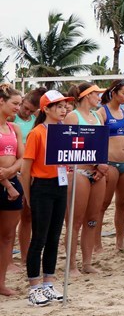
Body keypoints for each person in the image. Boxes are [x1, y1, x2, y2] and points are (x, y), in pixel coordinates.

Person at [21, 90, 73, 305]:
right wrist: (29, 196)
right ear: (46, 109)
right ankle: (34, 288)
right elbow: (26, 169)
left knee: (54, 237)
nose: (63, 110)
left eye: (64, 106)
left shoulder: (64, 131)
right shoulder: (37, 133)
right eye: (58, 106)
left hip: (60, 185)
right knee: (39, 238)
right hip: (41, 187)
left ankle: (48, 283)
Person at [63, 83, 107, 275]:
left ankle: (87, 263)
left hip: (97, 173)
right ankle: (71, 264)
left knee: (92, 219)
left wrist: (102, 165)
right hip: (79, 171)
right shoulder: (73, 117)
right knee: (75, 221)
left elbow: (101, 144)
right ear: (87, 95)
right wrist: (97, 163)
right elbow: (71, 147)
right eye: (96, 94)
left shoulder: (98, 116)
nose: (99, 97)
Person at [97, 80, 124, 253]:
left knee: (123, 203)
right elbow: (98, 140)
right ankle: (97, 242)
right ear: (113, 93)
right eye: (123, 93)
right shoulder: (102, 113)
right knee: (103, 204)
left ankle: (120, 241)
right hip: (110, 162)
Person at [11, 87, 45, 268]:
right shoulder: (12, 119)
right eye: (26, 108)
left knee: (28, 216)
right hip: (15, 169)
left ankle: (24, 256)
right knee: (12, 218)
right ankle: (8, 258)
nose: (27, 112)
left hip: (30, 171)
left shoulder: (35, 121)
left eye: (32, 111)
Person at [0, 84, 24, 297]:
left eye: (20, 104)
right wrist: (6, 181)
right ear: (1, 101)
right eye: (15, 103)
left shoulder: (14, 129)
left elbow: (22, 157)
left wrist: (10, 173)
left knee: (8, 236)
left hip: (12, 181)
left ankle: (1, 282)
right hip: (6, 183)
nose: (18, 107)